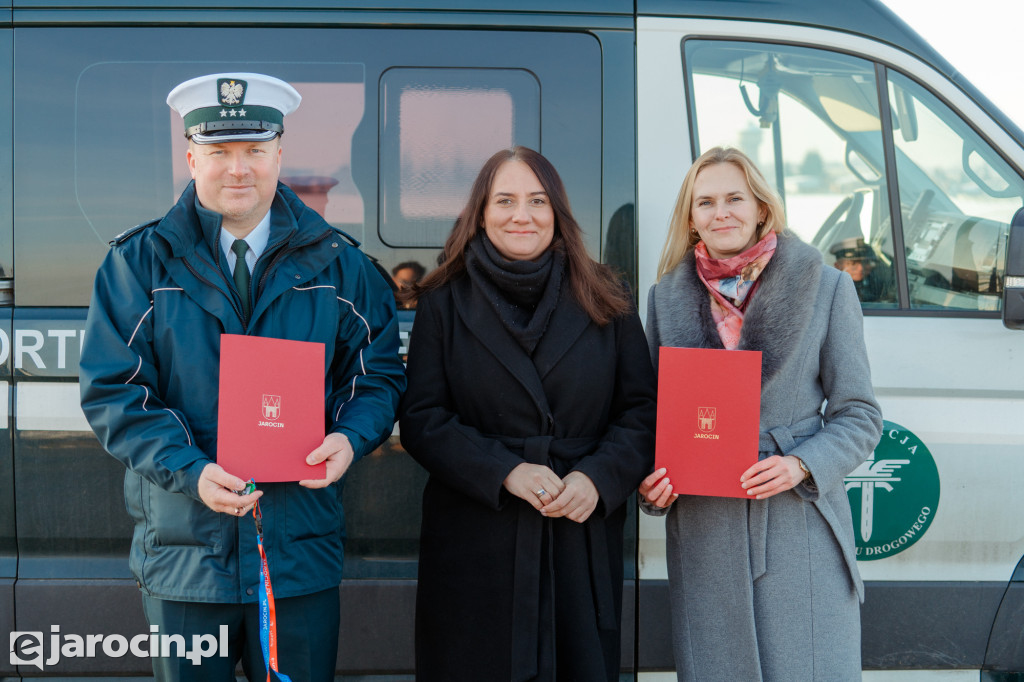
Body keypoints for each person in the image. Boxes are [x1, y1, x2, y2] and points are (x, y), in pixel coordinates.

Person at [79, 73, 405, 681]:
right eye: (219, 151)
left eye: (255, 149)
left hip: (296, 558)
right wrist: (191, 470)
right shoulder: (137, 264)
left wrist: (350, 437)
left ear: (280, 154)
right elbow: (116, 392)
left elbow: (375, 377)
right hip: (187, 560)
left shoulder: (342, 265)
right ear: (191, 158)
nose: (239, 168)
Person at [399, 146, 657, 682]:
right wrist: (505, 471)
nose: (523, 215)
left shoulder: (608, 295)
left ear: (557, 212)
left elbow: (641, 411)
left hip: (576, 535)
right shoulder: (443, 299)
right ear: (481, 213)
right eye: (505, 200)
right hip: (477, 539)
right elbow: (423, 417)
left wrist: (597, 477)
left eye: (538, 201)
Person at [640, 146, 883, 681]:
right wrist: (651, 485)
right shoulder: (663, 299)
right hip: (706, 532)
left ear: (761, 209)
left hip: (799, 524)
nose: (721, 212)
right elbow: (653, 418)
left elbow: (860, 415)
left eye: (734, 198)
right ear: (691, 217)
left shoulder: (827, 287)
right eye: (705, 202)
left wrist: (801, 464)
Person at [830, 236, 895, 303]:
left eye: (865, 262)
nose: (861, 268)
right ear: (837, 266)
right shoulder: (831, 289)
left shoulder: (882, 286)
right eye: (853, 263)